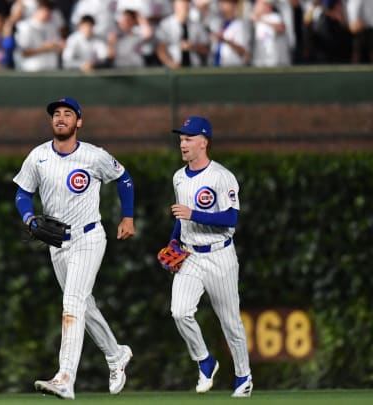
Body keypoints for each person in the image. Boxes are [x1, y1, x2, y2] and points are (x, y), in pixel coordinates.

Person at [13, 97, 136, 400]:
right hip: (57, 243)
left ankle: (65, 378)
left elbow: (124, 178)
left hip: (89, 237)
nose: (61, 118)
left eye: (68, 114)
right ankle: (116, 354)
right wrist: (28, 217)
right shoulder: (38, 156)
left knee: (72, 304)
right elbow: (22, 193)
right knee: (84, 306)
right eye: (56, 114)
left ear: (79, 122)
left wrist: (128, 217)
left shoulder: (94, 156)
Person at [165, 116, 253, 398]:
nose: (183, 144)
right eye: (181, 139)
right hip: (190, 255)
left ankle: (243, 377)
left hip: (219, 255)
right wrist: (172, 243)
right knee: (180, 311)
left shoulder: (221, 176)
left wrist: (194, 214)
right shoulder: (179, 177)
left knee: (229, 321)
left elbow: (231, 218)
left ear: (204, 142)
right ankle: (205, 360)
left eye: (189, 139)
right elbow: (181, 215)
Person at [156, 0, 210, 68]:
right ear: (175, 6)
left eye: (186, 4)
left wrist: (192, 46)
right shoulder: (165, 25)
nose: (184, 7)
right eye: (181, 5)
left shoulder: (197, 26)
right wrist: (170, 63)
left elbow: (206, 49)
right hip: (172, 69)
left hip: (194, 68)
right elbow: (160, 49)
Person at [209, 0, 249, 67]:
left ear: (234, 5)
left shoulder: (240, 25)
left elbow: (244, 51)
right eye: (222, 3)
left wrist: (225, 41)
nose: (223, 6)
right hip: (216, 67)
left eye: (226, 3)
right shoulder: (219, 23)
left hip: (233, 68)